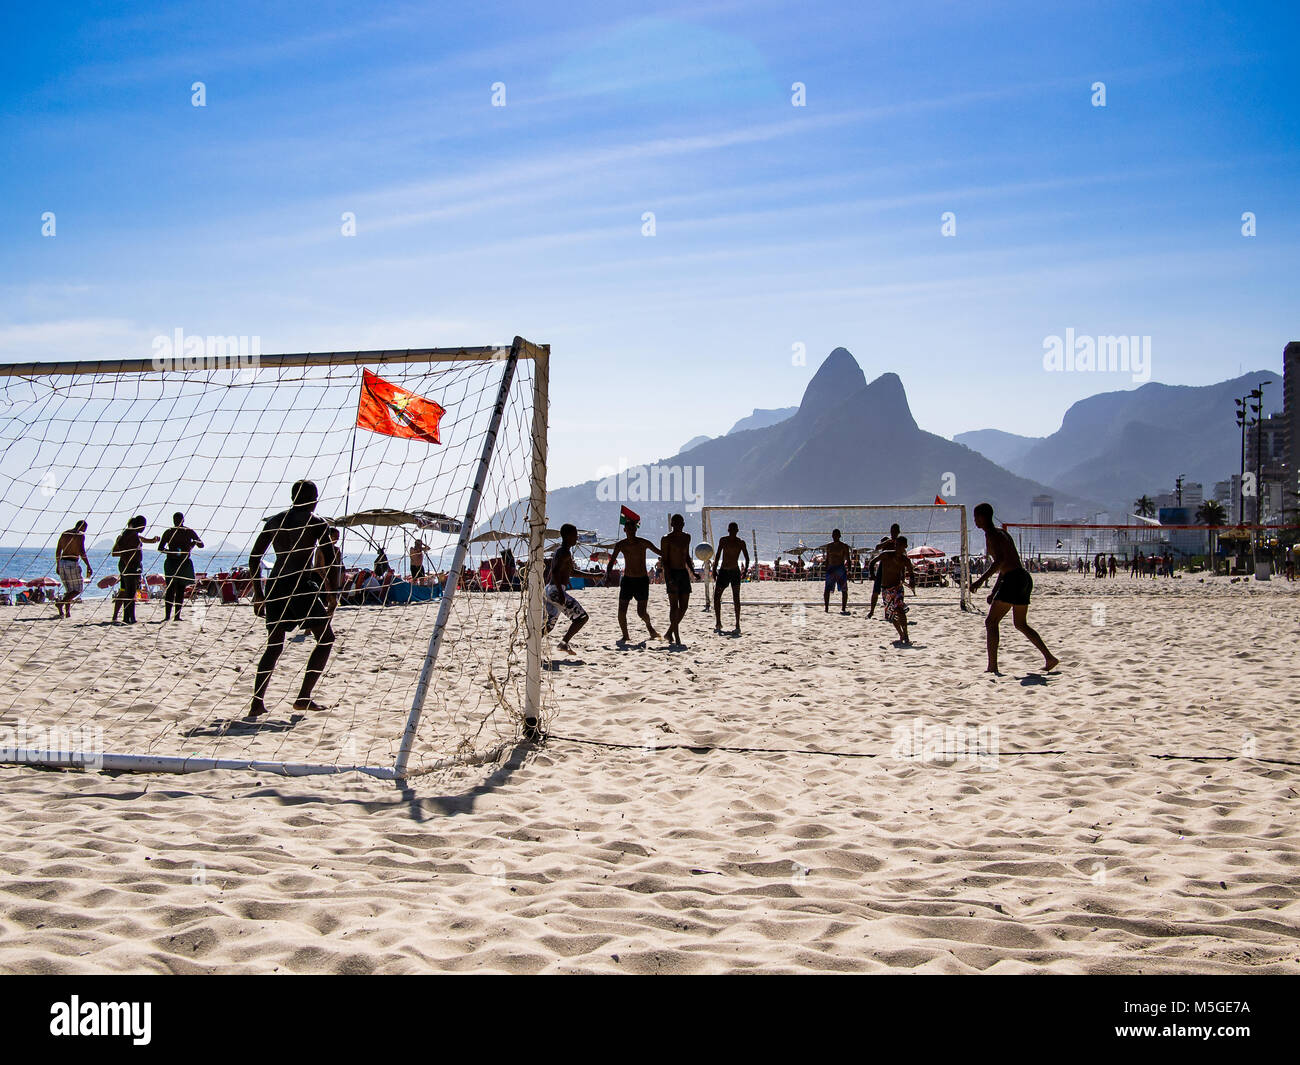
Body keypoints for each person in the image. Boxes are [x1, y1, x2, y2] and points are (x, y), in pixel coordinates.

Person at [247, 480, 338, 719]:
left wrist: (259, 593)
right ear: (313, 498)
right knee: (326, 639)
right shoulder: (316, 522)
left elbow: (254, 558)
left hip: (277, 585)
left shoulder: (274, 521)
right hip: (301, 585)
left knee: (274, 646)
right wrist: (332, 593)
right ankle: (303, 697)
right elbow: (329, 559)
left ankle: (257, 703)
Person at [969, 502, 1058, 675]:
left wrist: (980, 581)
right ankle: (1049, 658)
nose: (974, 520)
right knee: (1020, 624)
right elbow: (1007, 564)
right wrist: (994, 591)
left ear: (983, 517)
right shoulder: (1003, 533)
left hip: (1013, 579)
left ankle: (992, 667)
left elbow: (1000, 562)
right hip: (1023, 577)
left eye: (976, 517)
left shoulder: (992, 535)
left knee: (991, 622)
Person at [606, 518, 660, 644]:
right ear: (624, 530)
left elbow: (660, 552)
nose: (630, 531)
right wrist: (607, 575)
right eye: (628, 529)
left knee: (641, 612)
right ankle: (625, 636)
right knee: (621, 610)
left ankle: (649, 627)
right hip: (627, 580)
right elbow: (612, 561)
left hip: (641, 580)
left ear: (636, 529)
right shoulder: (621, 544)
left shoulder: (643, 543)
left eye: (633, 528)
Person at [545, 523, 590, 652]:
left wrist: (593, 576)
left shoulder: (562, 551)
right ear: (568, 536)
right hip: (555, 591)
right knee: (582, 618)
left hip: (550, 589)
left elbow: (571, 572)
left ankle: (530, 643)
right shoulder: (564, 552)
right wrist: (560, 592)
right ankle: (564, 643)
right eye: (575, 535)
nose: (577, 538)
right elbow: (554, 571)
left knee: (549, 625)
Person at [112, 516, 159, 624]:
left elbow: (144, 540)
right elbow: (115, 552)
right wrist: (128, 555)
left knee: (127, 592)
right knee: (130, 593)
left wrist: (153, 540)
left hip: (130, 566)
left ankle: (126, 617)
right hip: (130, 566)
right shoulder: (129, 535)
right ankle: (130, 618)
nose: (144, 528)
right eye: (143, 526)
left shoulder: (132, 534)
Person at [158, 512, 204, 622]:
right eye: (175, 519)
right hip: (172, 562)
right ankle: (167, 616)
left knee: (180, 589)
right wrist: (171, 552)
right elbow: (160, 548)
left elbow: (201, 544)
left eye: (179, 519)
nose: (177, 521)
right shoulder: (169, 532)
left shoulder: (188, 531)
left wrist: (193, 544)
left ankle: (177, 616)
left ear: (183, 520)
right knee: (170, 589)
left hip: (184, 562)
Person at [659, 514, 695, 646]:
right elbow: (665, 560)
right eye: (677, 523)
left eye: (681, 523)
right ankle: (676, 636)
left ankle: (669, 632)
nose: (679, 525)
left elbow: (686, 556)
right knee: (674, 607)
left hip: (683, 573)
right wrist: (669, 578)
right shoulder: (666, 539)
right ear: (672, 524)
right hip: (672, 573)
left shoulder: (687, 537)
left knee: (684, 607)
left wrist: (693, 571)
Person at [712, 521, 750, 634]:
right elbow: (718, 555)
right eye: (731, 530)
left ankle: (737, 624)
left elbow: (747, 558)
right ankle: (718, 622)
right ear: (728, 530)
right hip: (724, 571)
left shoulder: (740, 543)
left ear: (737, 531)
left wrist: (745, 570)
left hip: (734, 572)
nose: (732, 532)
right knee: (717, 597)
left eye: (734, 530)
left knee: (736, 598)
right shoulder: (723, 541)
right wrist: (714, 570)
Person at [878, 535, 916, 645]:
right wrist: (872, 573)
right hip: (886, 588)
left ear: (905, 547)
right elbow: (874, 560)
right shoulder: (888, 554)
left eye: (901, 546)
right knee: (891, 614)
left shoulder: (905, 559)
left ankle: (907, 636)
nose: (898, 547)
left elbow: (911, 572)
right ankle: (901, 635)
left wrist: (912, 581)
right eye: (897, 545)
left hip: (897, 587)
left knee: (899, 609)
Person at [54, 520, 93, 619]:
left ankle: (67, 613)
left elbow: (58, 550)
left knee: (69, 590)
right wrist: (88, 565)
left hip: (62, 562)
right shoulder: (80, 535)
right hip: (72, 562)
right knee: (78, 589)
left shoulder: (65, 533)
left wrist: (58, 565)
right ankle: (61, 603)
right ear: (82, 527)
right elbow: (82, 551)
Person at [866, 524, 901, 619]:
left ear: (898, 532)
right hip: (883, 567)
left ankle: (890, 612)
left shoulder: (899, 542)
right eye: (892, 531)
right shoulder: (886, 540)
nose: (893, 533)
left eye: (895, 531)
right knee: (876, 590)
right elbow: (877, 547)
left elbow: (903, 555)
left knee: (892, 591)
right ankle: (872, 611)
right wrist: (887, 542)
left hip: (894, 568)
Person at [819, 529, 854, 614]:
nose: (835, 537)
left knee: (844, 589)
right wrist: (825, 569)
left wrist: (849, 571)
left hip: (840, 568)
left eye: (836, 535)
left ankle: (843, 608)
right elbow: (827, 559)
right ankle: (826, 608)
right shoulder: (829, 546)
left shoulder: (844, 546)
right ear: (832, 536)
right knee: (827, 589)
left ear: (839, 536)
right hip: (831, 568)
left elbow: (848, 560)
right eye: (834, 535)